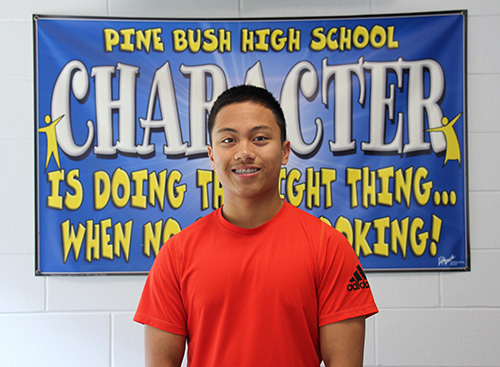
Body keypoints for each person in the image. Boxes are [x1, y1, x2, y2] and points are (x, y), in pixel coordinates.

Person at [134, 85, 378, 367]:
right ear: (212, 156)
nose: (244, 152)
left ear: (285, 151)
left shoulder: (328, 246)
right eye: (229, 140)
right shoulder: (176, 253)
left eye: (260, 138)